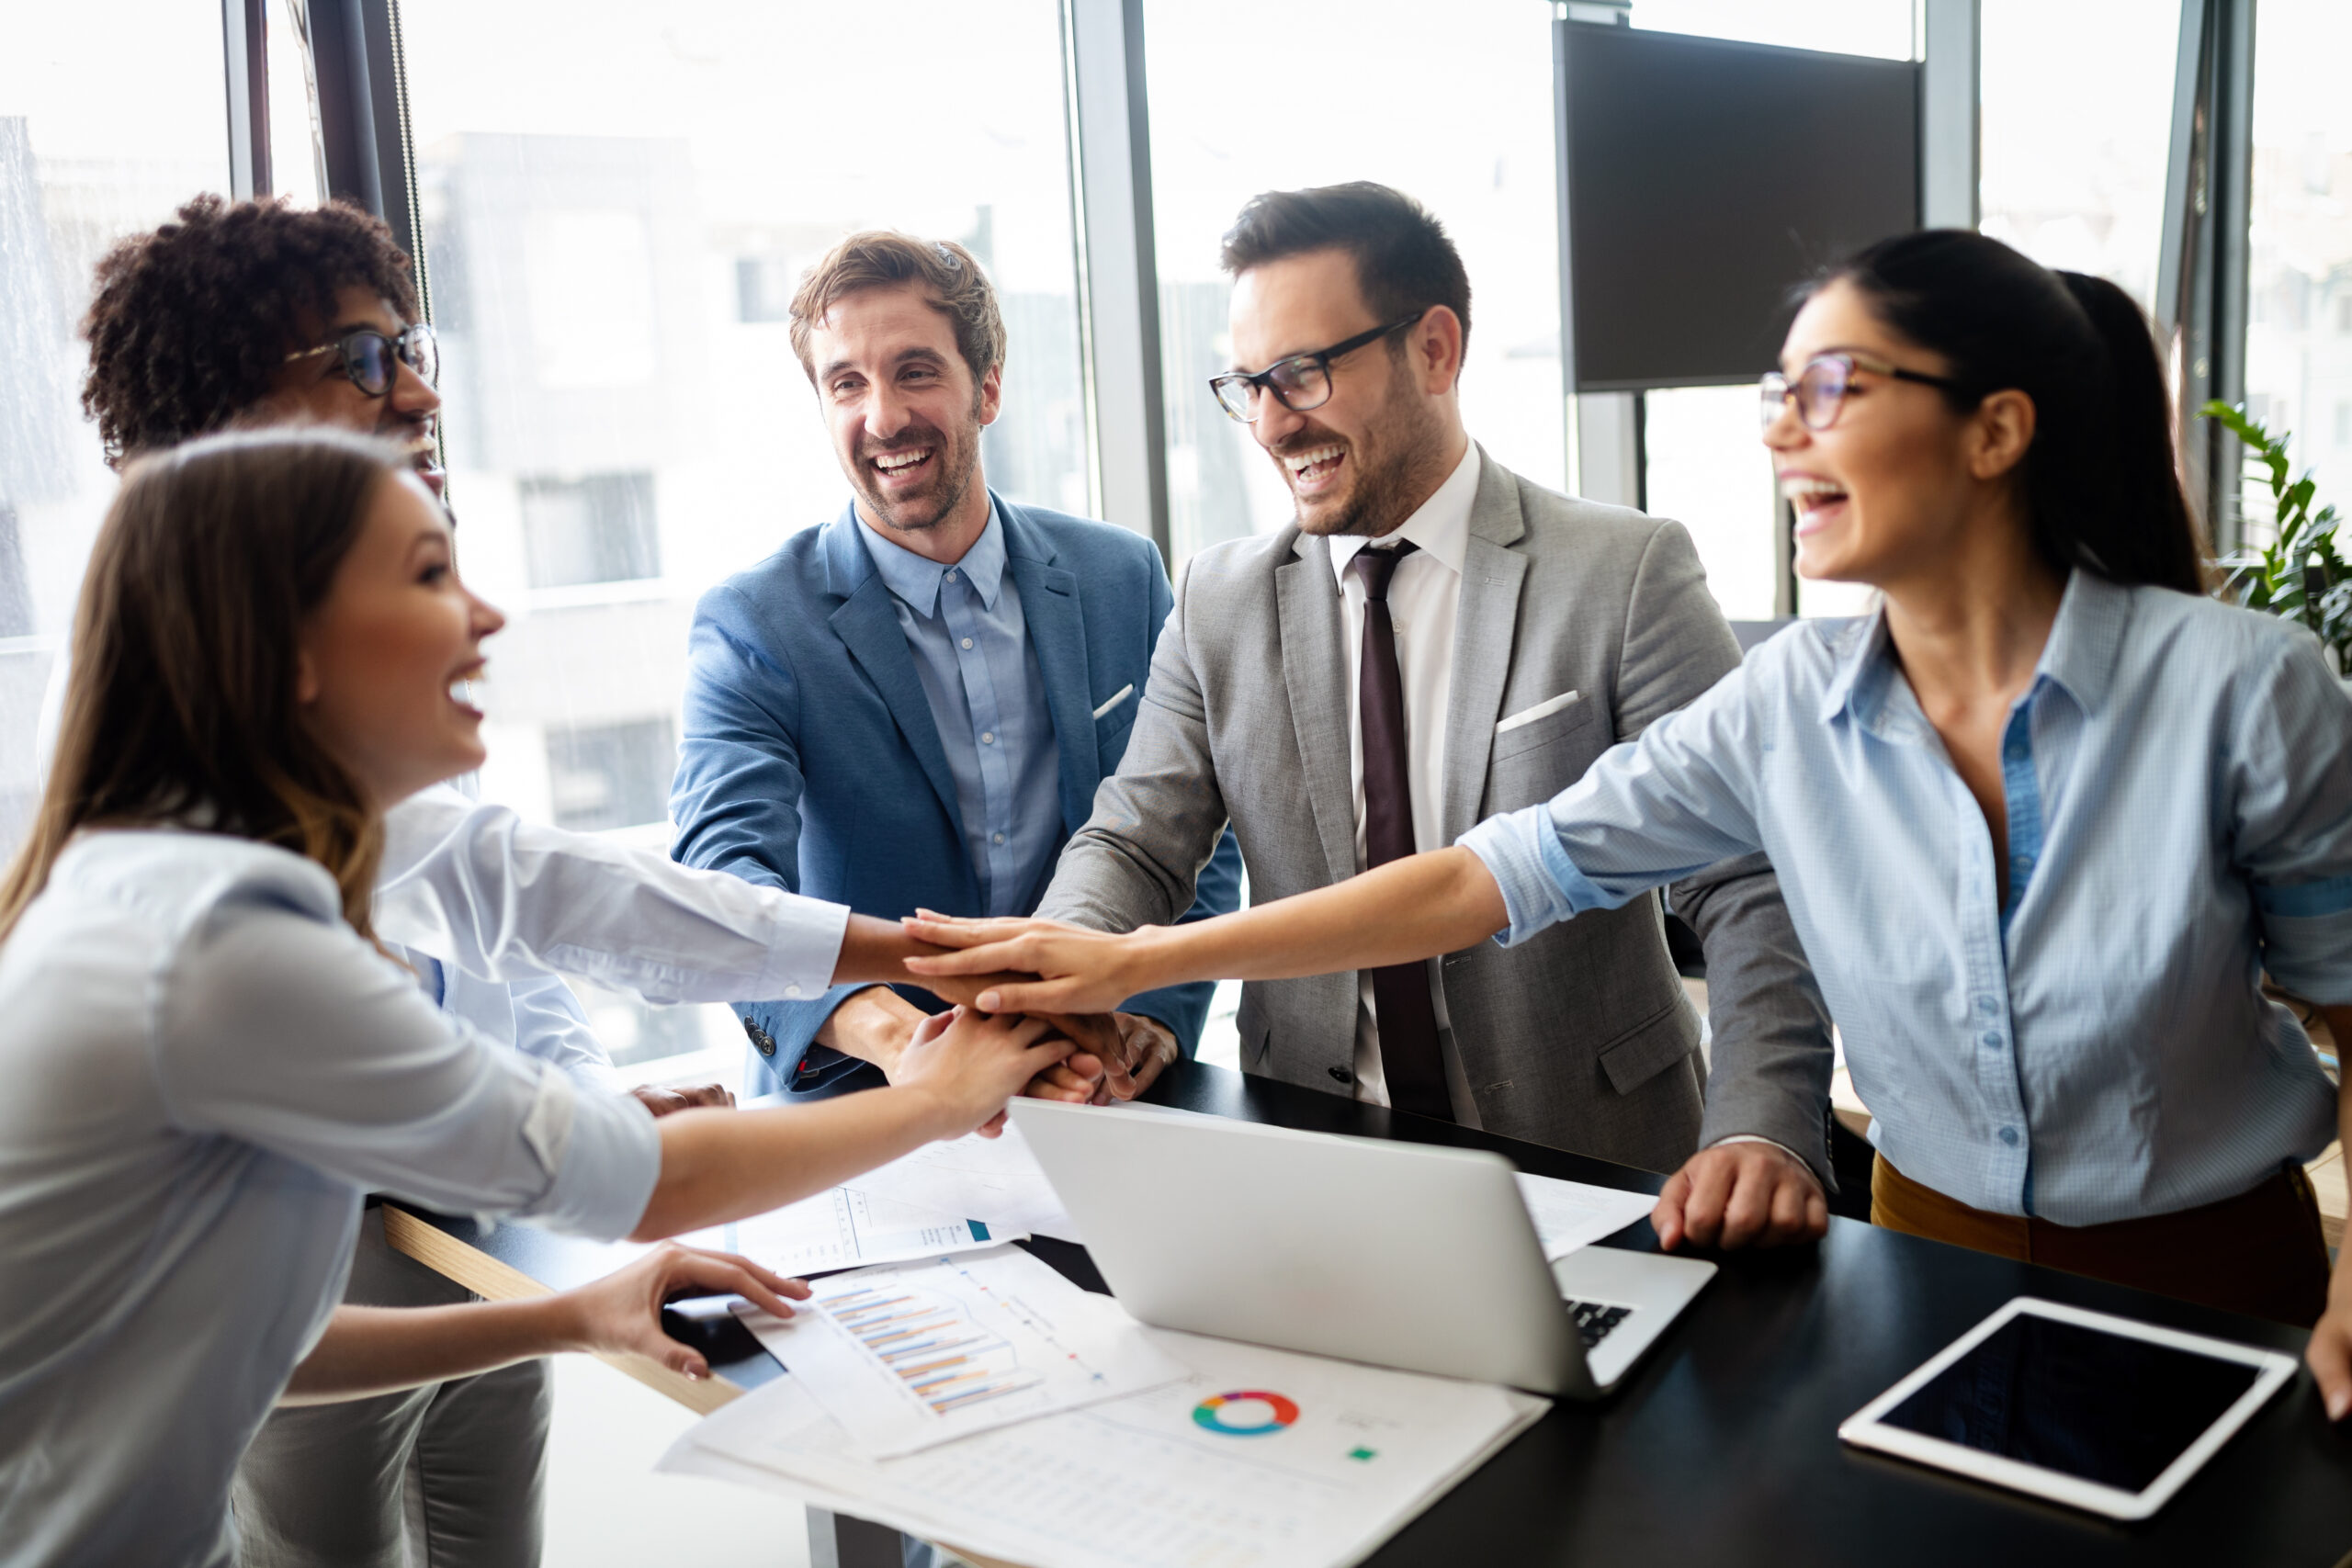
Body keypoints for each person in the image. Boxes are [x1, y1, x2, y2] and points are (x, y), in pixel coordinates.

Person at [902, 231, 2352, 1396]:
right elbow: (1490, 870)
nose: (1785, 434)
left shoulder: (2248, 690)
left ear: (1995, 432)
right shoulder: (1791, 702)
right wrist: (1125, 960)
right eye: (1775, 395)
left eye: (1832, 389)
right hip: (1919, 1260)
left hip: (2210, 1267)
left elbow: (2351, 998)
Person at [64, 194, 967, 1568]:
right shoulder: (220, 926)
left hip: (425, 1232)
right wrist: (953, 1074)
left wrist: (560, 1309)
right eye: (427, 571)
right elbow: (621, 1126)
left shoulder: (187, 831)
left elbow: (240, 1338)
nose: (483, 613)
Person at [970, 182, 1832, 1209]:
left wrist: (1761, 1125)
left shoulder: (1624, 571)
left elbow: (1745, 881)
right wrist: (1062, 997)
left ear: (1434, 348)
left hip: (1598, 1162)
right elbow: (1136, 842)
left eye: (1301, 374)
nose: (1272, 423)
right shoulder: (1218, 597)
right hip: (1313, 1156)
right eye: (1246, 384)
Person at [668, 231, 1241, 1109]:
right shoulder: (756, 623)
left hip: (1098, 1086)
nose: (884, 416)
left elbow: (1199, 823)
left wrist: (1153, 1017)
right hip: (865, 1100)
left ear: (989, 387)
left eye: (916, 371)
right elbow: (723, 882)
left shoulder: (1122, 577)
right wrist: (904, 1041)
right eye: (846, 383)